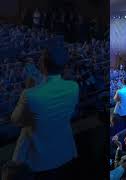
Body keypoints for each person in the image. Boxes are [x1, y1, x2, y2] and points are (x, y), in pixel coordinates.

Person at [11, 47, 79, 179]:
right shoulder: (73, 87)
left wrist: (30, 88)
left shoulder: (30, 94)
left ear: (42, 64)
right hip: (65, 153)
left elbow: (15, 120)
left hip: (39, 162)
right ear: (64, 66)